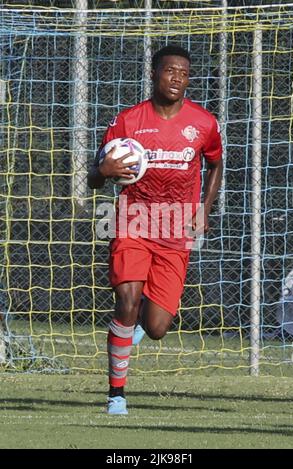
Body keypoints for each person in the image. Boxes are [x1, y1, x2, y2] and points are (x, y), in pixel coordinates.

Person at [87, 45, 223, 415]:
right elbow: (94, 176)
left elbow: (215, 164)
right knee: (126, 301)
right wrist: (103, 172)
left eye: (183, 72)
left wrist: (203, 208)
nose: (177, 77)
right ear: (154, 74)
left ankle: (135, 326)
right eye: (170, 71)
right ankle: (117, 395)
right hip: (133, 221)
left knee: (158, 326)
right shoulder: (128, 122)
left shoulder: (204, 123)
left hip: (175, 229)